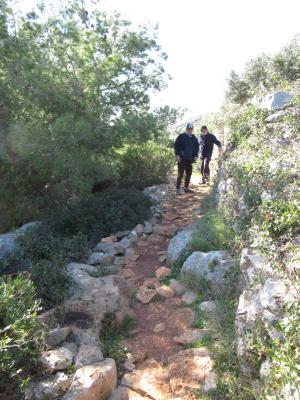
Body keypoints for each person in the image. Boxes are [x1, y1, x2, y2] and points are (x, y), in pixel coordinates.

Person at [174, 122, 199, 195]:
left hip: (189, 159)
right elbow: (176, 146)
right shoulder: (181, 136)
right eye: (188, 129)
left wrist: (195, 155)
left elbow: (196, 147)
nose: (189, 130)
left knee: (189, 173)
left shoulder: (193, 137)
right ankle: (177, 189)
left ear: (192, 129)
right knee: (180, 174)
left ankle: (186, 188)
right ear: (186, 129)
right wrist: (177, 155)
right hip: (181, 158)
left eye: (191, 129)